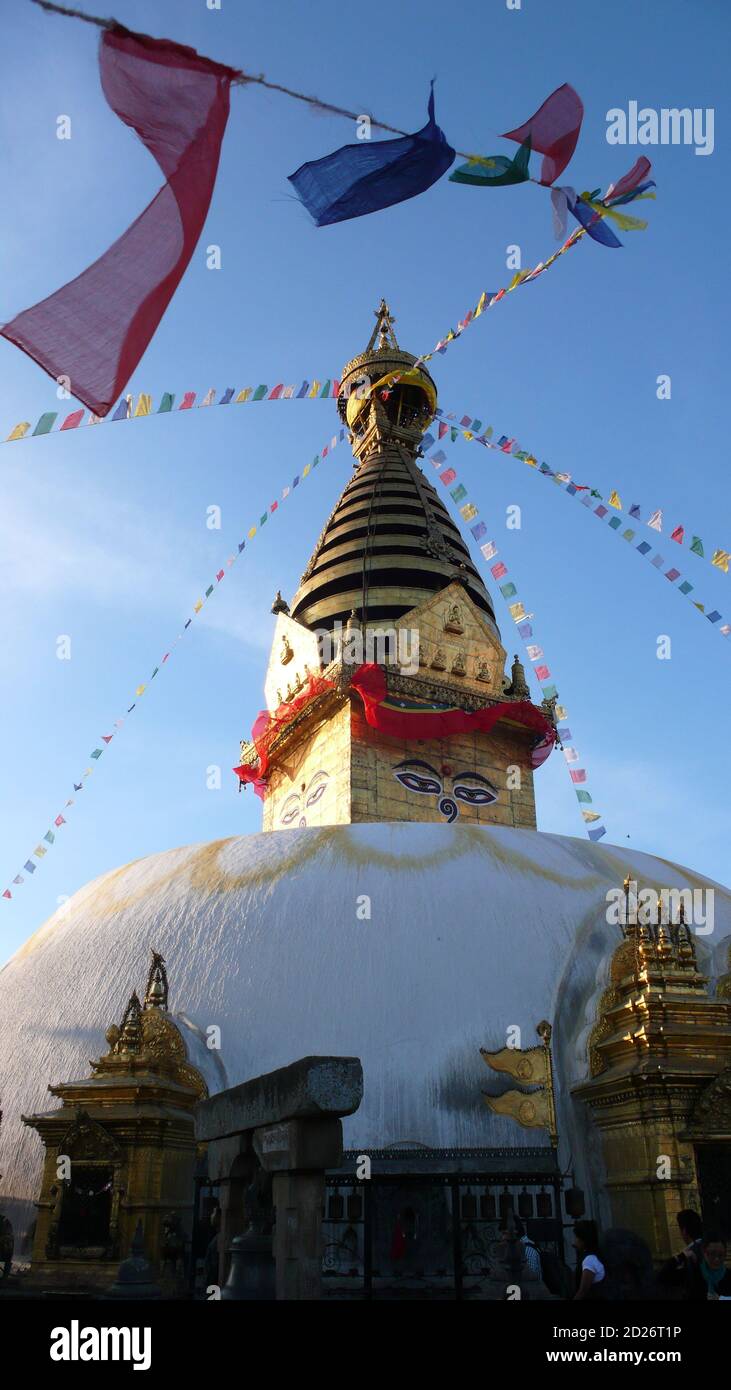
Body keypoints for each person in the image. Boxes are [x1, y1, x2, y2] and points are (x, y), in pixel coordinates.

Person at [685, 1232, 731, 1301]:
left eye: (721, 1255)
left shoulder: (728, 1276)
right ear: (704, 1252)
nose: (717, 1259)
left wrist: (721, 1298)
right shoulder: (694, 1274)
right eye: (712, 1254)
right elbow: (664, 1275)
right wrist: (683, 1255)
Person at [573, 1219, 606, 1300]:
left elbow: (583, 1291)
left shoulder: (589, 1260)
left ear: (583, 1240)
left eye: (577, 1237)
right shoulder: (595, 1255)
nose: (575, 1241)